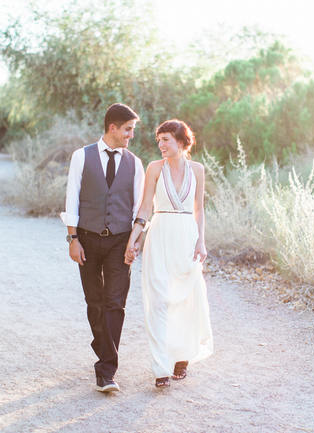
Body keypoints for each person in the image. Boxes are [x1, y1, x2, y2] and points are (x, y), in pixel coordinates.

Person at [60, 103, 145, 393]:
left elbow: (138, 207)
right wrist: (73, 239)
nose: (130, 136)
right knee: (95, 302)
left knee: (115, 303)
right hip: (87, 238)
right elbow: (71, 197)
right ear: (113, 127)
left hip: (120, 241)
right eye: (128, 130)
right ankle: (104, 346)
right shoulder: (81, 157)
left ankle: (106, 370)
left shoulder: (135, 163)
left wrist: (135, 241)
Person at [125, 119, 213, 388]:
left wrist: (201, 242)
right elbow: (144, 209)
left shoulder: (197, 170)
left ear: (182, 141)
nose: (161, 145)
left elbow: (199, 209)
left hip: (187, 237)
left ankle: (181, 359)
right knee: (159, 298)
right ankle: (160, 366)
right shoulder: (154, 168)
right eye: (159, 140)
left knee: (186, 299)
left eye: (166, 139)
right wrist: (133, 239)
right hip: (160, 235)